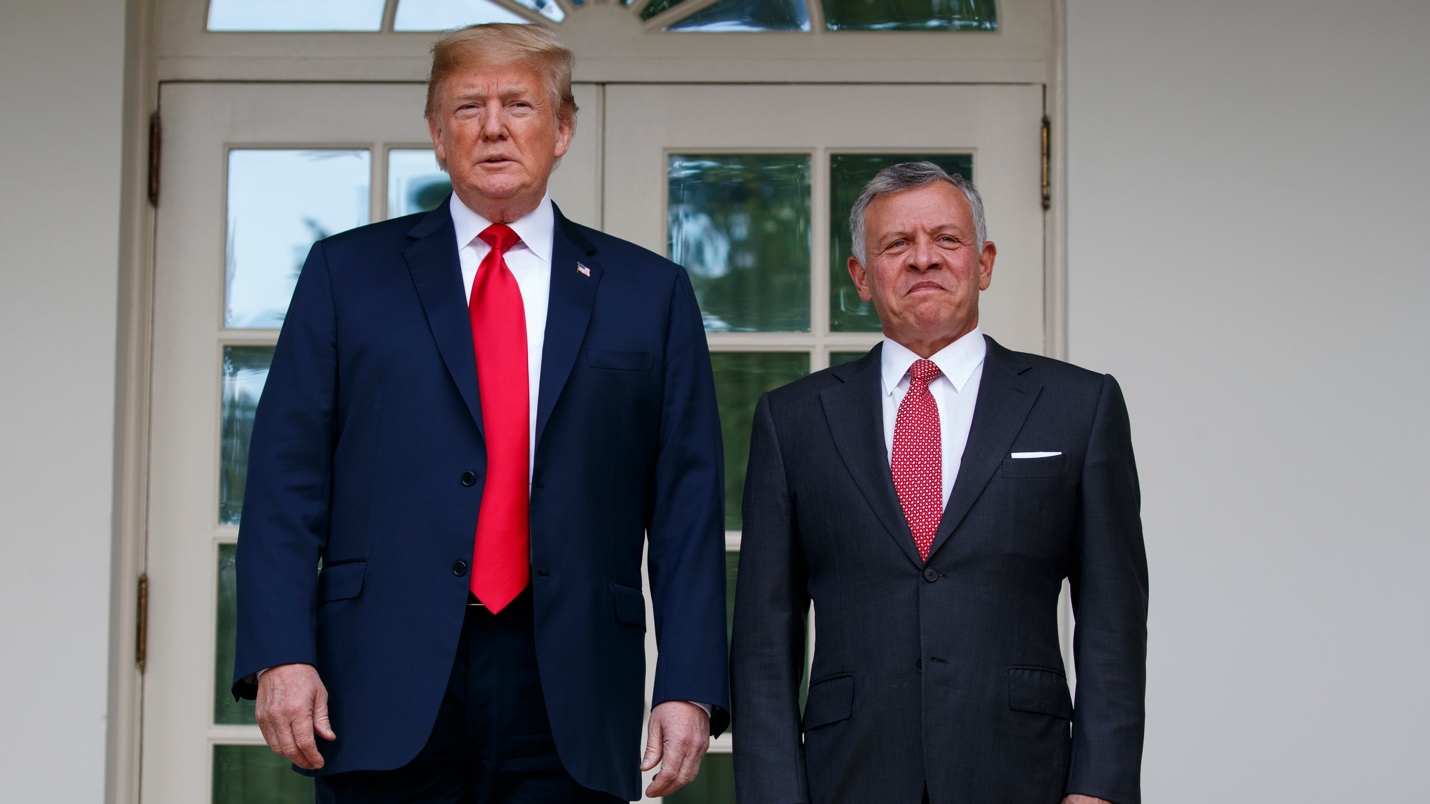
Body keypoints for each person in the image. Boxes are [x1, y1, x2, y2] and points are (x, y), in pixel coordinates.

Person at [232, 23, 729, 803]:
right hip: (379, 674)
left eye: (519, 105)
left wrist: (690, 683)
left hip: (571, 681)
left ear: (562, 130)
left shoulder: (649, 293)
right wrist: (280, 652)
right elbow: (284, 481)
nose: (494, 126)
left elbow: (687, 507)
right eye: (468, 107)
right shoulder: (346, 274)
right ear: (438, 135)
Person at [730, 162, 1147, 804]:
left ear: (984, 263)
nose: (923, 258)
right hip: (849, 777)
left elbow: (1113, 619)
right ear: (861, 277)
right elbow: (765, 637)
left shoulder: (1079, 406)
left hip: (1024, 774)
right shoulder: (794, 420)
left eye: (946, 239)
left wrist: (1100, 789)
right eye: (897, 244)